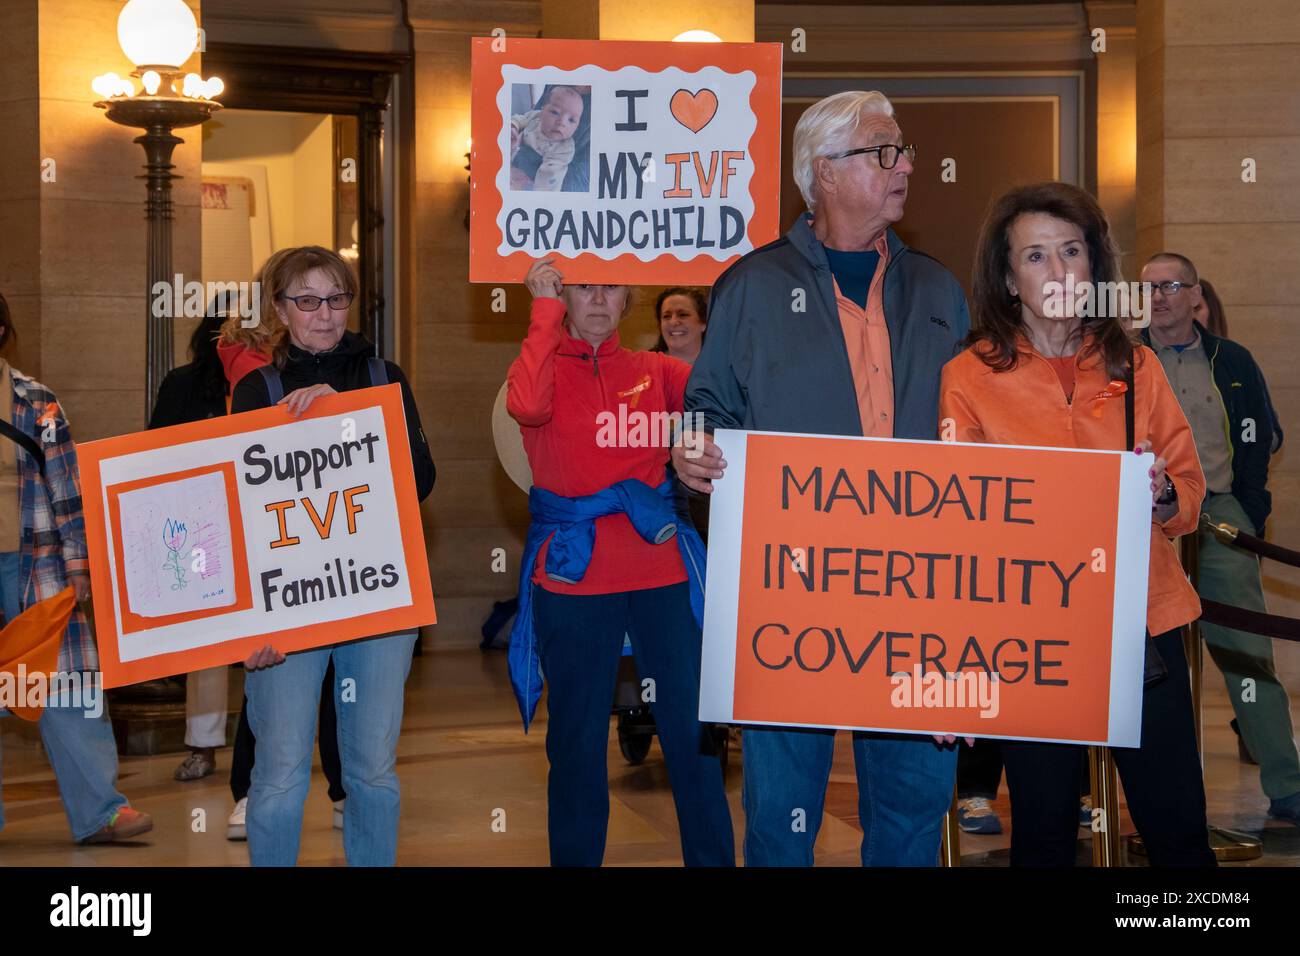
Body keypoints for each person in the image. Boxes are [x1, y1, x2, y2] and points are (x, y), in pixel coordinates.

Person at [674, 90, 970, 866]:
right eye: (883, 151)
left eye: (901, 149)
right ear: (824, 173)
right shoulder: (752, 285)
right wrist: (692, 451)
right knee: (781, 813)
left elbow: (986, 428)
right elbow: (703, 408)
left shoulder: (938, 290)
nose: (906, 163)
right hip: (791, 589)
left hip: (922, 587)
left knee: (913, 805)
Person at [940, 181, 1214, 866]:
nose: (1059, 271)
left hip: (1141, 621)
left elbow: (1189, 493)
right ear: (1007, 278)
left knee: (1176, 825)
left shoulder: (1136, 363)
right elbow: (958, 513)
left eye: (1071, 251)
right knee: (1043, 828)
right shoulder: (967, 376)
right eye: (1035, 256)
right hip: (1032, 631)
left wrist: (1157, 496)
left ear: (1094, 266)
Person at [506, 258, 734, 867]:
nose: (599, 298)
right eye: (583, 286)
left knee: (692, 737)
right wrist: (544, 312)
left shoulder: (657, 371)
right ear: (562, 293)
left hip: (661, 570)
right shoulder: (540, 369)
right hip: (574, 577)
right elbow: (525, 406)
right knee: (576, 744)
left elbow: (726, 408)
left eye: (610, 285)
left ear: (629, 294)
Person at [232, 246, 435, 866]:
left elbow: (420, 479)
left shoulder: (383, 377)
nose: (325, 314)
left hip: (377, 600)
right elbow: (237, 509)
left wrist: (343, 422)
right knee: (280, 770)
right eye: (308, 300)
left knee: (372, 770)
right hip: (288, 608)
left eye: (337, 298)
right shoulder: (255, 390)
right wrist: (247, 623)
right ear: (279, 309)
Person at [1139, 252, 1299, 825]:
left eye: (1171, 286)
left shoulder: (1232, 360)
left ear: (1194, 293)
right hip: (1145, 522)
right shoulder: (1120, 359)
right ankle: (1109, 797)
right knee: (1135, 662)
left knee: (1249, 656)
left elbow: (1259, 438)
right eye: (1149, 287)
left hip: (1221, 519)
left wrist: (1250, 512)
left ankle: (1286, 784)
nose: (1159, 296)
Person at [0, 292, 153, 844]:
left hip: (37, 565)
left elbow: (67, 489)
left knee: (69, 687)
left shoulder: (36, 401)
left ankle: (101, 813)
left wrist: (80, 565)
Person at [510, 85, 587, 192]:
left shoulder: (563, 149)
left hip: (526, 184)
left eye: (571, 120)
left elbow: (549, 180)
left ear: (577, 127)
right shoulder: (536, 117)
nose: (562, 122)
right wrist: (513, 127)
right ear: (542, 110)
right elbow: (520, 119)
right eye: (555, 112)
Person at [653, 288, 709, 365]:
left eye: (683, 315)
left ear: (703, 323)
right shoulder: (647, 365)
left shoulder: (722, 367)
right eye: (666, 316)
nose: (673, 322)